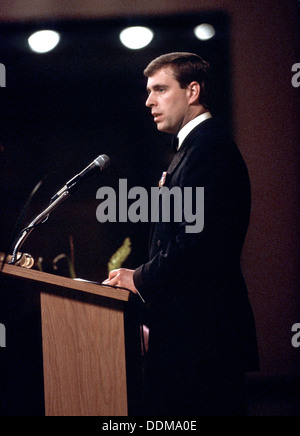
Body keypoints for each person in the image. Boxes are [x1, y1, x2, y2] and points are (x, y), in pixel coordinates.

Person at [103, 52, 259, 416]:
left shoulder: (210, 149)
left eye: (160, 89)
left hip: (204, 339)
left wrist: (138, 277)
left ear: (192, 90)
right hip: (189, 334)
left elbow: (199, 247)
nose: (149, 101)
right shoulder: (193, 149)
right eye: (148, 91)